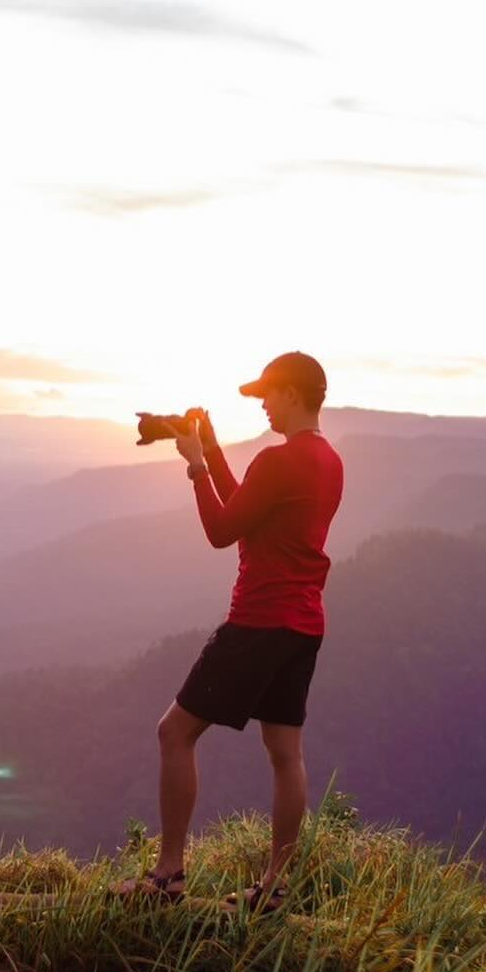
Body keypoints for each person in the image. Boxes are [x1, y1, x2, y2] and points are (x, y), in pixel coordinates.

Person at [117, 351, 345, 911]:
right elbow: (250, 506)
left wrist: (195, 464)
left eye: (268, 394)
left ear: (292, 393)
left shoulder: (278, 461)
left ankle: (168, 876)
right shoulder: (328, 460)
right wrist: (213, 448)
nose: (264, 405)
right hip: (303, 624)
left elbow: (222, 529)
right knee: (285, 752)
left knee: (175, 733)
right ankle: (276, 888)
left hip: (257, 620)